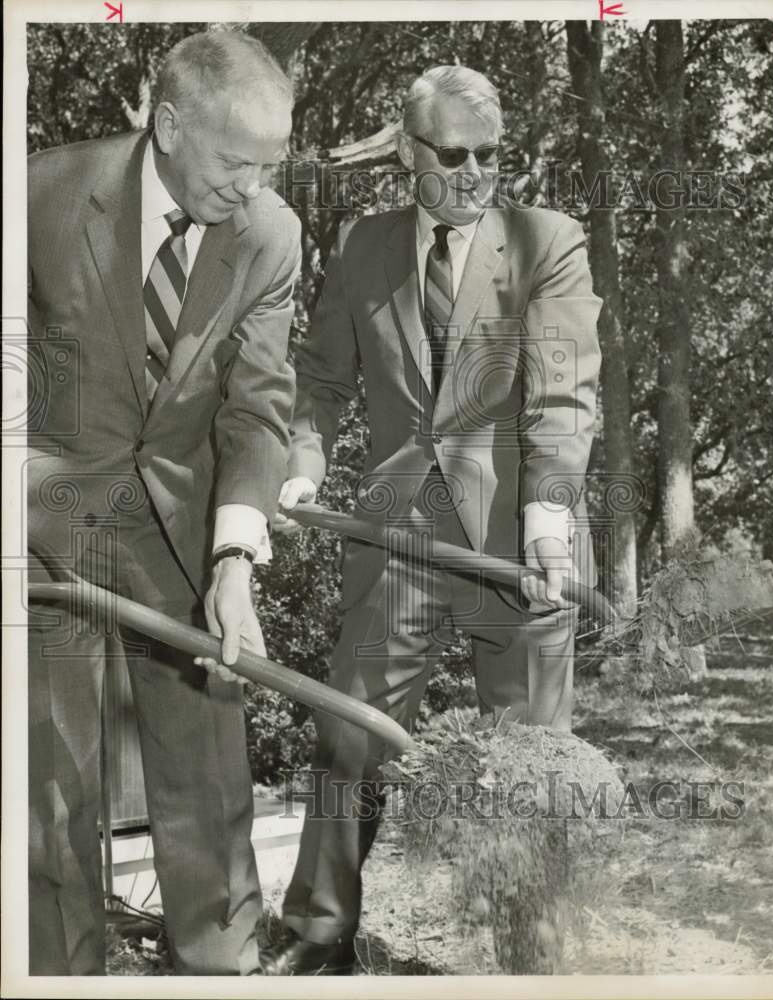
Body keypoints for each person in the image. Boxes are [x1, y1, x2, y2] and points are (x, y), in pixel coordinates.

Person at [263, 65, 602, 976]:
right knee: (347, 736)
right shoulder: (365, 246)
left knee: (531, 766)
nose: (475, 173)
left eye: (491, 154)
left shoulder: (548, 241)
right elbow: (321, 383)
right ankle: (321, 932)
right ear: (409, 154)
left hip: (517, 541)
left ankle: (531, 954)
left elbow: (563, 400)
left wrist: (547, 524)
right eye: (453, 155)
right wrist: (300, 470)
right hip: (395, 526)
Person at [26, 30, 300, 975]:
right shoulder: (40, 194)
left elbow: (258, 407)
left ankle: (218, 973)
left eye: (271, 166)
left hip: (184, 531)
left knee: (208, 775)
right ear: (169, 124)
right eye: (236, 164)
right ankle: (60, 977)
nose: (252, 189)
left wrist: (235, 561)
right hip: (42, 521)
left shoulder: (268, 235)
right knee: (50, 785)